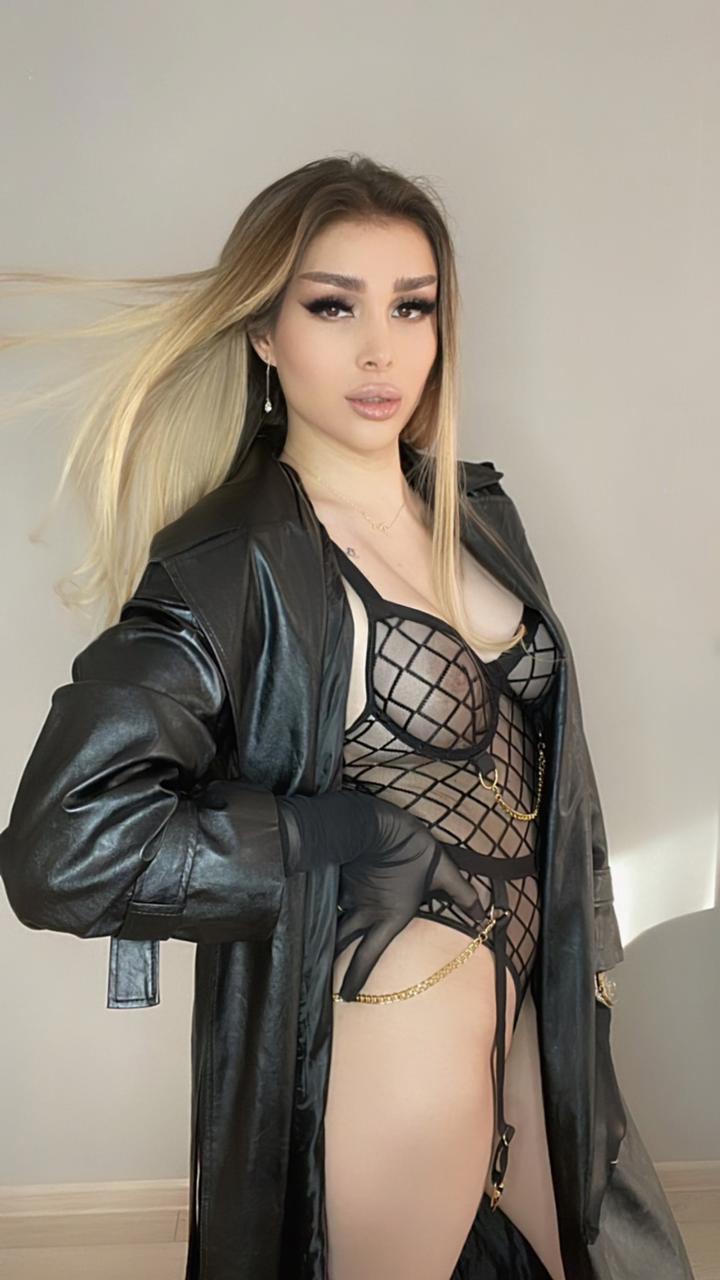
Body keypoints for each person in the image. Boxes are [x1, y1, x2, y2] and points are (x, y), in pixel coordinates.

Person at [0, 154, 694, 1280]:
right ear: (265, 333)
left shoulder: (478, 509)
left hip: (539, 1009)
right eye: (334, 307)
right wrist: (348, 832)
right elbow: (62, 848)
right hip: (399, 1023)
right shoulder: (233, 562)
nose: (382, 351)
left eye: (411, 307)